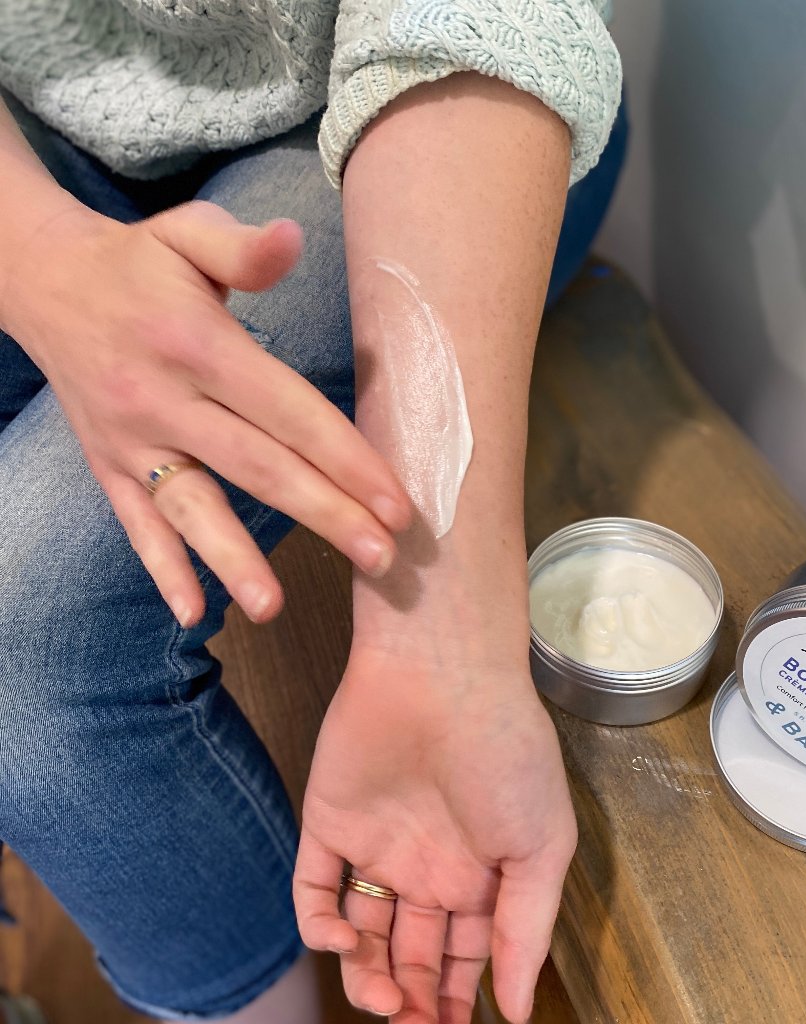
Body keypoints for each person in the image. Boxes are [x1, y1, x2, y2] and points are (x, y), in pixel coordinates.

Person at [0, 2, 623, 1022]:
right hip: (34, 128)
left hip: (416, 94)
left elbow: (468, 21)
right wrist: (38, 267)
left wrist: (439, 644)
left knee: (29, 659)